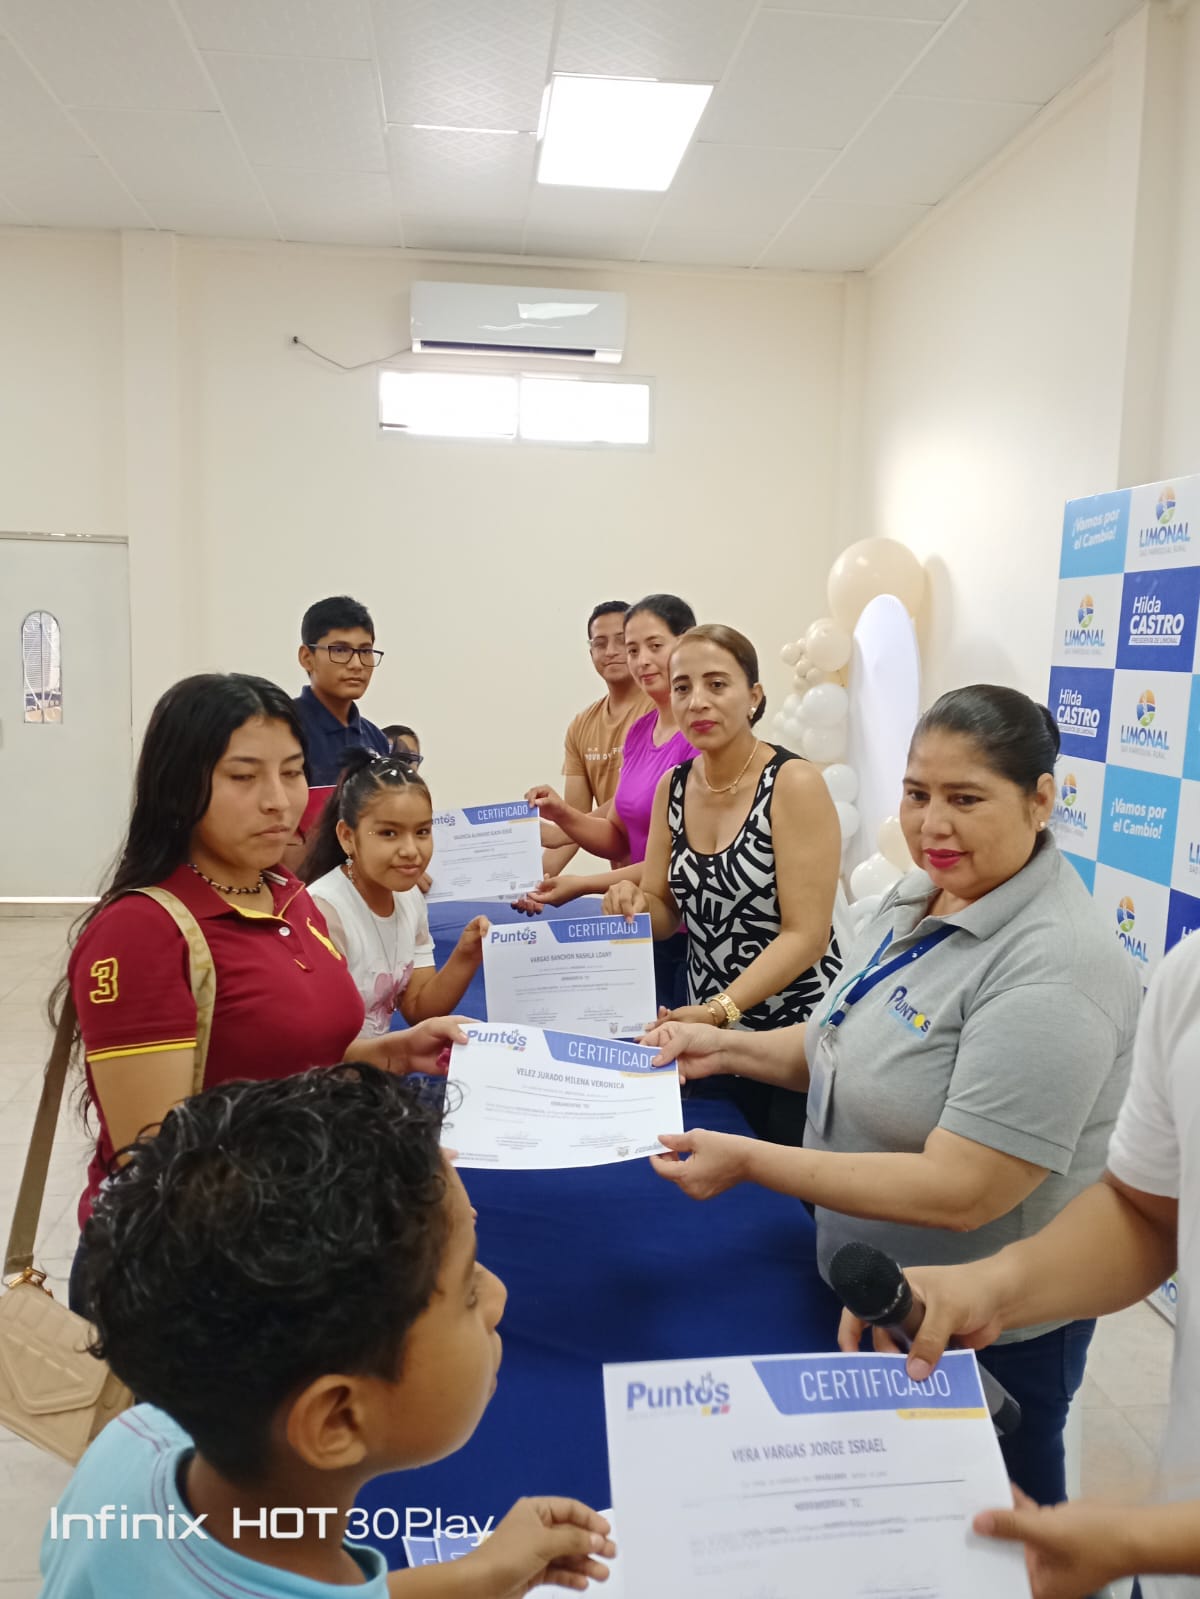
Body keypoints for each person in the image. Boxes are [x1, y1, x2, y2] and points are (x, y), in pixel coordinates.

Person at [642, 684, 1141, 1507]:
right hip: (868, 1290)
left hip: (980, 1335)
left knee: (1009, 1542)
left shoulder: (1057, 965)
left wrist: (753, 1161)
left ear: (1041, 799)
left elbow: (963, 1188)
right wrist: (721, 1044)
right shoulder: (916, 897)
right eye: (916, 794)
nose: (931, 825)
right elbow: (842, 1047)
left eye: (965, 799)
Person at [41, 1065, 615, 1599]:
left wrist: (476, 1575)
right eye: (468, 1291)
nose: (498, 1298)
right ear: (337, 1419)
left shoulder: (135, 1440)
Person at [60, 674, 459, 1311]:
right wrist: (361, 1164)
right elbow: (158, 1160)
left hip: (290, 1233)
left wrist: (387, 1052)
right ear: (180, 785)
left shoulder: (286, 895)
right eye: (244, 777)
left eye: (293, 772)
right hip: (194, 1272)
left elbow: (281, 1061)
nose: (279, 801)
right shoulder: (143, 930)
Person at [838, 927, 1200, 1599]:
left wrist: (1142, 1538)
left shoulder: (1071, 965)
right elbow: (1149, 1212)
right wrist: (992, 1283)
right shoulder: (1191, 976)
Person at [603, 624, 842, 1140]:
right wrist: (633, 903)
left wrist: (720, 1010)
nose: (697, 702)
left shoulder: (793, 783)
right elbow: (665, 911)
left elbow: (807, 935)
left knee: (781, 1169)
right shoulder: (673, 786)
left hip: (792, 1030)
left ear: (753, 696)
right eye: (682, 687)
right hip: (704, 1028)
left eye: (717, 684)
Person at [521, 594, 699, 1008]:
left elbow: (680, 860)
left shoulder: (699, 734)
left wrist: (581, 884)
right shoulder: (639, 733)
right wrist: (560, 813)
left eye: (654, 646)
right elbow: (615, 834)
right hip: (638, 918)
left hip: (694, 930)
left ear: (687, 643)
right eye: (633, 649)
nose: (640, 660)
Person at [302, 749, 487, 1034]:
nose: (411, 850)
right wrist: (399, 1052)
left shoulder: (408, 896)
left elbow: (418, 1008)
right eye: (389, 833)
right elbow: (321, 1040)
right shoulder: (322, 912)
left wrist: (467, 953)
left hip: (381, 1060)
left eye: (422, 832)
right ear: (348, 837)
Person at [541, 601, 650, 877]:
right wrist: (532, 882)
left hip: (663, 877)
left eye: (622, 641)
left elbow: (634, 797)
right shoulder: (581, 726)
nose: (611, 651)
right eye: (600, 644)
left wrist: (560, 832)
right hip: (619, 882)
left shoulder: (661, 712)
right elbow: (576, 819)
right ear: (591, 653)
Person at [294, 595, 390, 785]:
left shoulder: (375, 738)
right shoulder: (287, 728)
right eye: (340, 650)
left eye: (365, 651)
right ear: (307, 657)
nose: (356, 664)